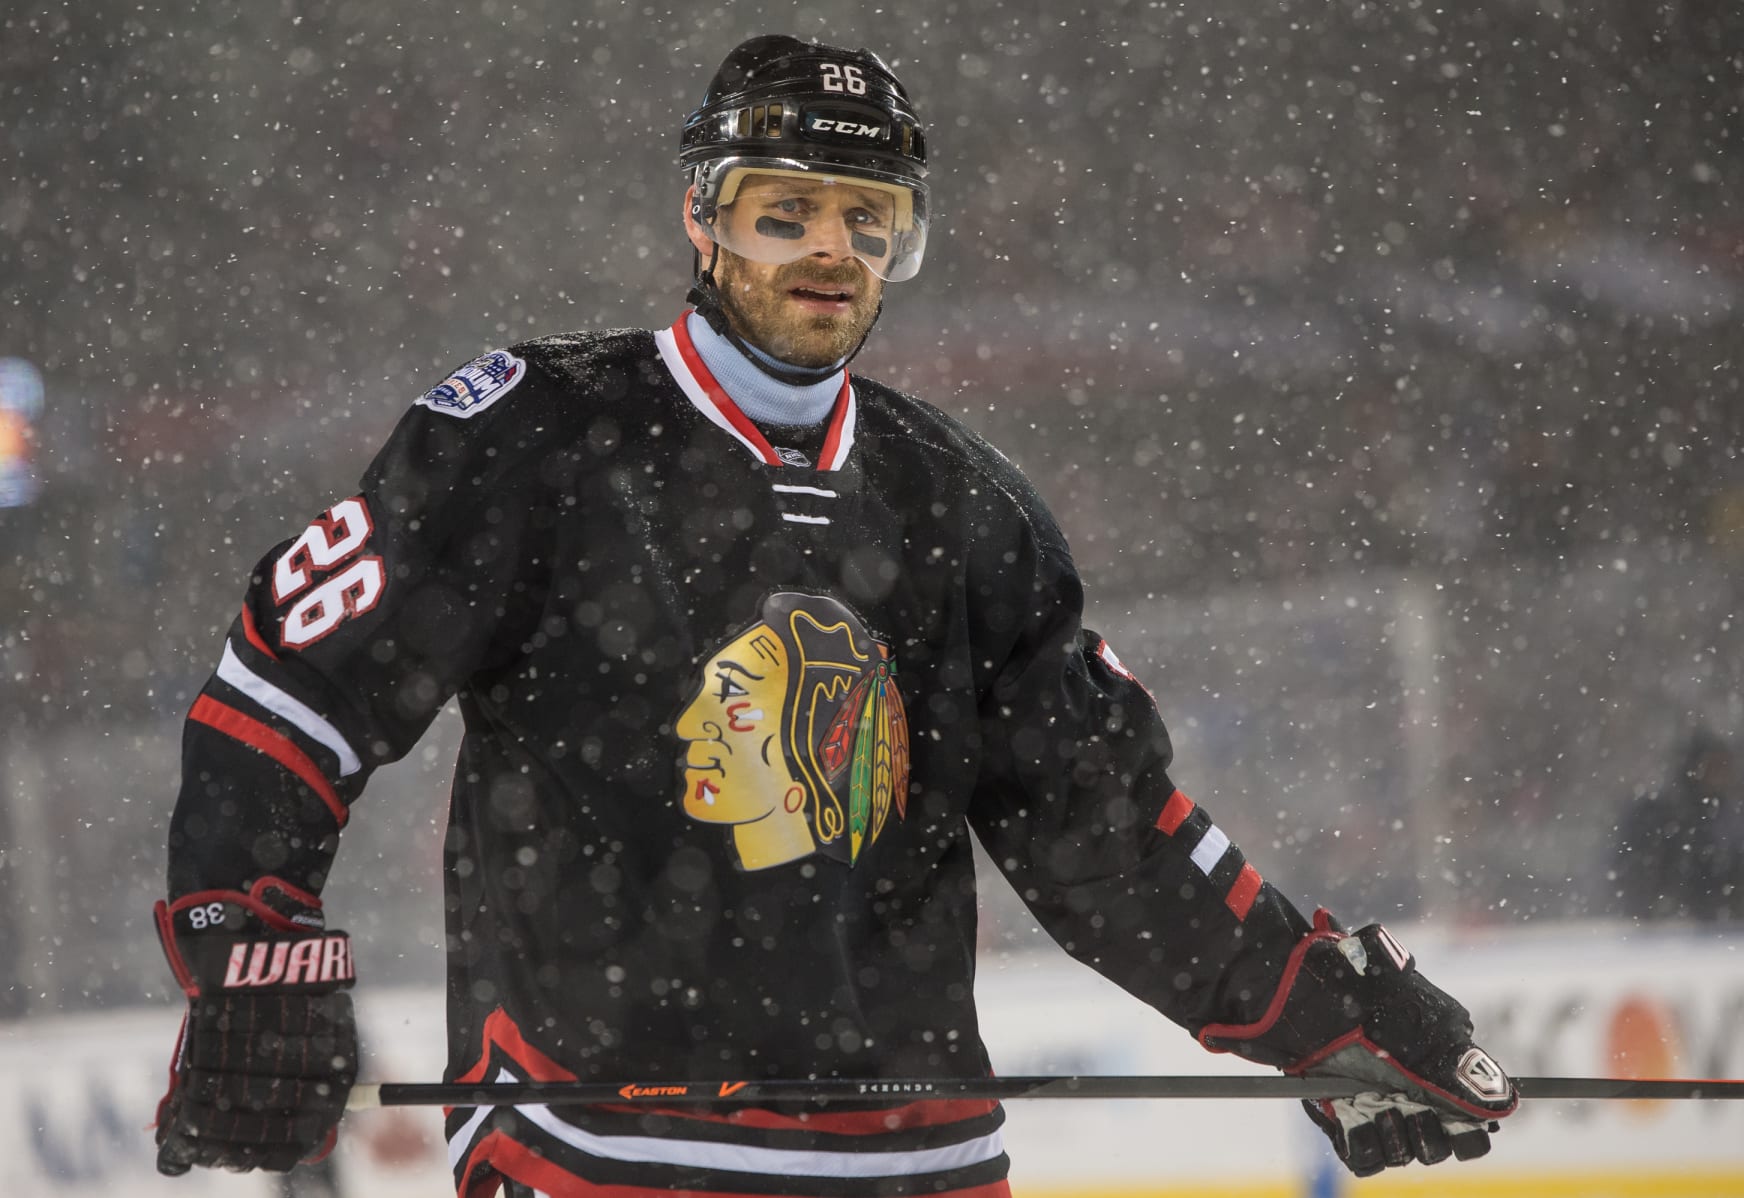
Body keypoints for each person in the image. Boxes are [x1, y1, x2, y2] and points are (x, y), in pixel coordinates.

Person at [150, 34, 1517, 1198]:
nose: (830, 249)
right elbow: (294, 682)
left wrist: (1317, 1010)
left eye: (868, 218)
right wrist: (244, 931)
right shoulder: (534, 434)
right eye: (784, 209)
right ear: (703, 216)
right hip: (597, 1154)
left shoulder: (967, 504)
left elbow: (1107, 835)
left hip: (911, 1161)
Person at [1613, 729, 1744, 921]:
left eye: (1725, 766)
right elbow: (1644, 868)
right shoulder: (1664, 813)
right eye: (1715, 766)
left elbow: (1737, 869)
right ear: (1696, 768)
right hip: (1670, 925)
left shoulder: (1728, 814)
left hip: (1714, 925)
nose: (1723, 775)